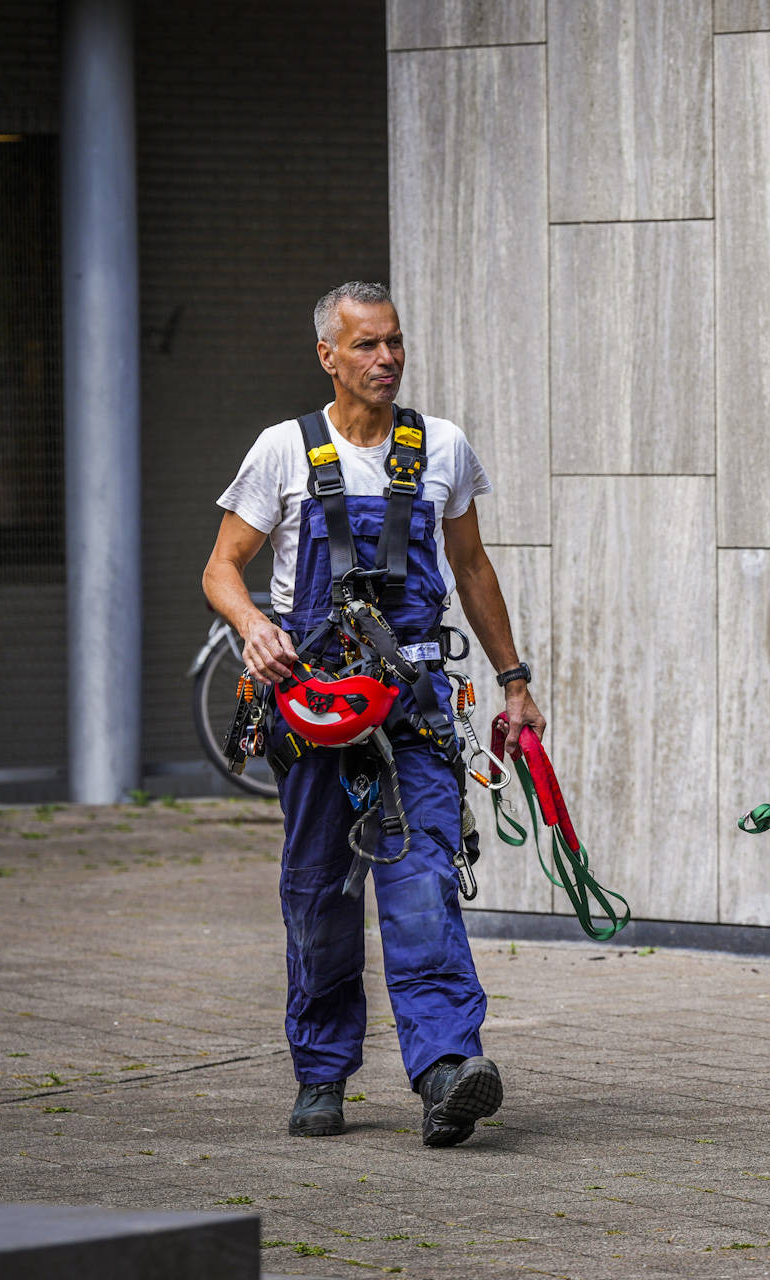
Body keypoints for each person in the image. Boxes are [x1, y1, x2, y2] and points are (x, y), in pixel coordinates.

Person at [202, 281, 545, 1147]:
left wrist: (514, 681)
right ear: (328, 355)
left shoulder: (442, 449)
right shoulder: (284, 452)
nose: (386, 359)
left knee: (423, 881)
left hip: (416, 709)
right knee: (319, 894)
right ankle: (321, 1073)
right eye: (366, 346)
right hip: (314, 709)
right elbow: (220, 568)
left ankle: (444, 1071)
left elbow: (471, 571)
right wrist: (253, 626)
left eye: (394, 343)